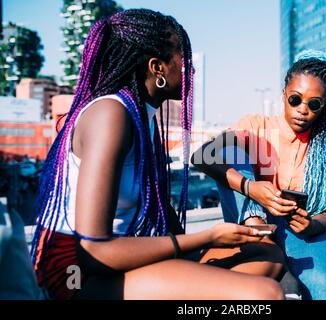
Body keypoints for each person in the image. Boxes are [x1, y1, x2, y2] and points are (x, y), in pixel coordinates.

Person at [31, 9, 285, 300]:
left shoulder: (142, 116)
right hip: (76, 272)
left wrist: (203, 251)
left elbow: (161, 212)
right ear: (157, 68)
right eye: (184, 59)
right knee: (264, 295)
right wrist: (207, 237)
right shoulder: (111, 115)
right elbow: (93, 250)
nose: (191, 70)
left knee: (268, 256)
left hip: (127, 250)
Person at [192, 50, 326, 300]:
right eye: (295, 99)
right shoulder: (256, 126)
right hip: (254, 223)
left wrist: (312, 225)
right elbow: (201, 156)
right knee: (232, 148)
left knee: (325, 290)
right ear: (283, 94)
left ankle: (275, 262)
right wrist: (251, 188)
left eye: (314, 104)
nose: (303, 110)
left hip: (302, 233)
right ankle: (260, 239)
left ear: (323, 106)